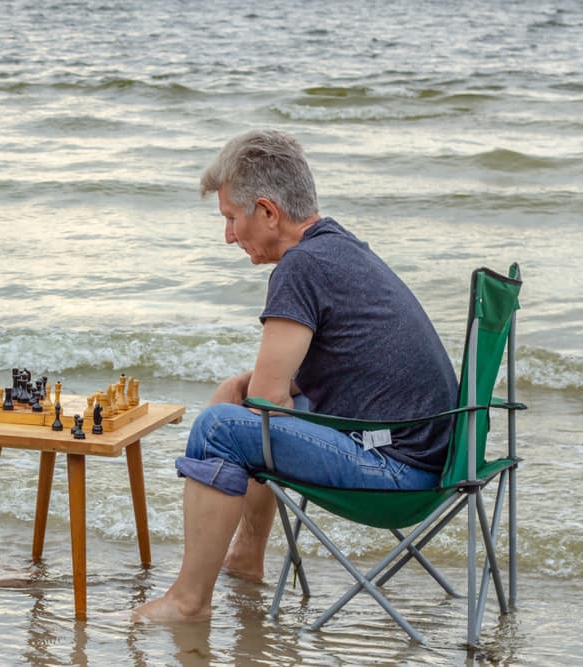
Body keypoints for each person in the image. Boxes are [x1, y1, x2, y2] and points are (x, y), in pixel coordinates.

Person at [133, 130, 458, 622]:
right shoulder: (340, 247)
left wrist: (243, 404)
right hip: (436, 462)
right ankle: (245, 558)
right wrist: (241, 391)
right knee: (240, 407)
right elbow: (321, 371)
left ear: (267, 211)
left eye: (230, 218)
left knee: (220, 428)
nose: (228, 236)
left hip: (395, 475)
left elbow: (268, 401)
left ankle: (187, 602)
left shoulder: (300, 267)